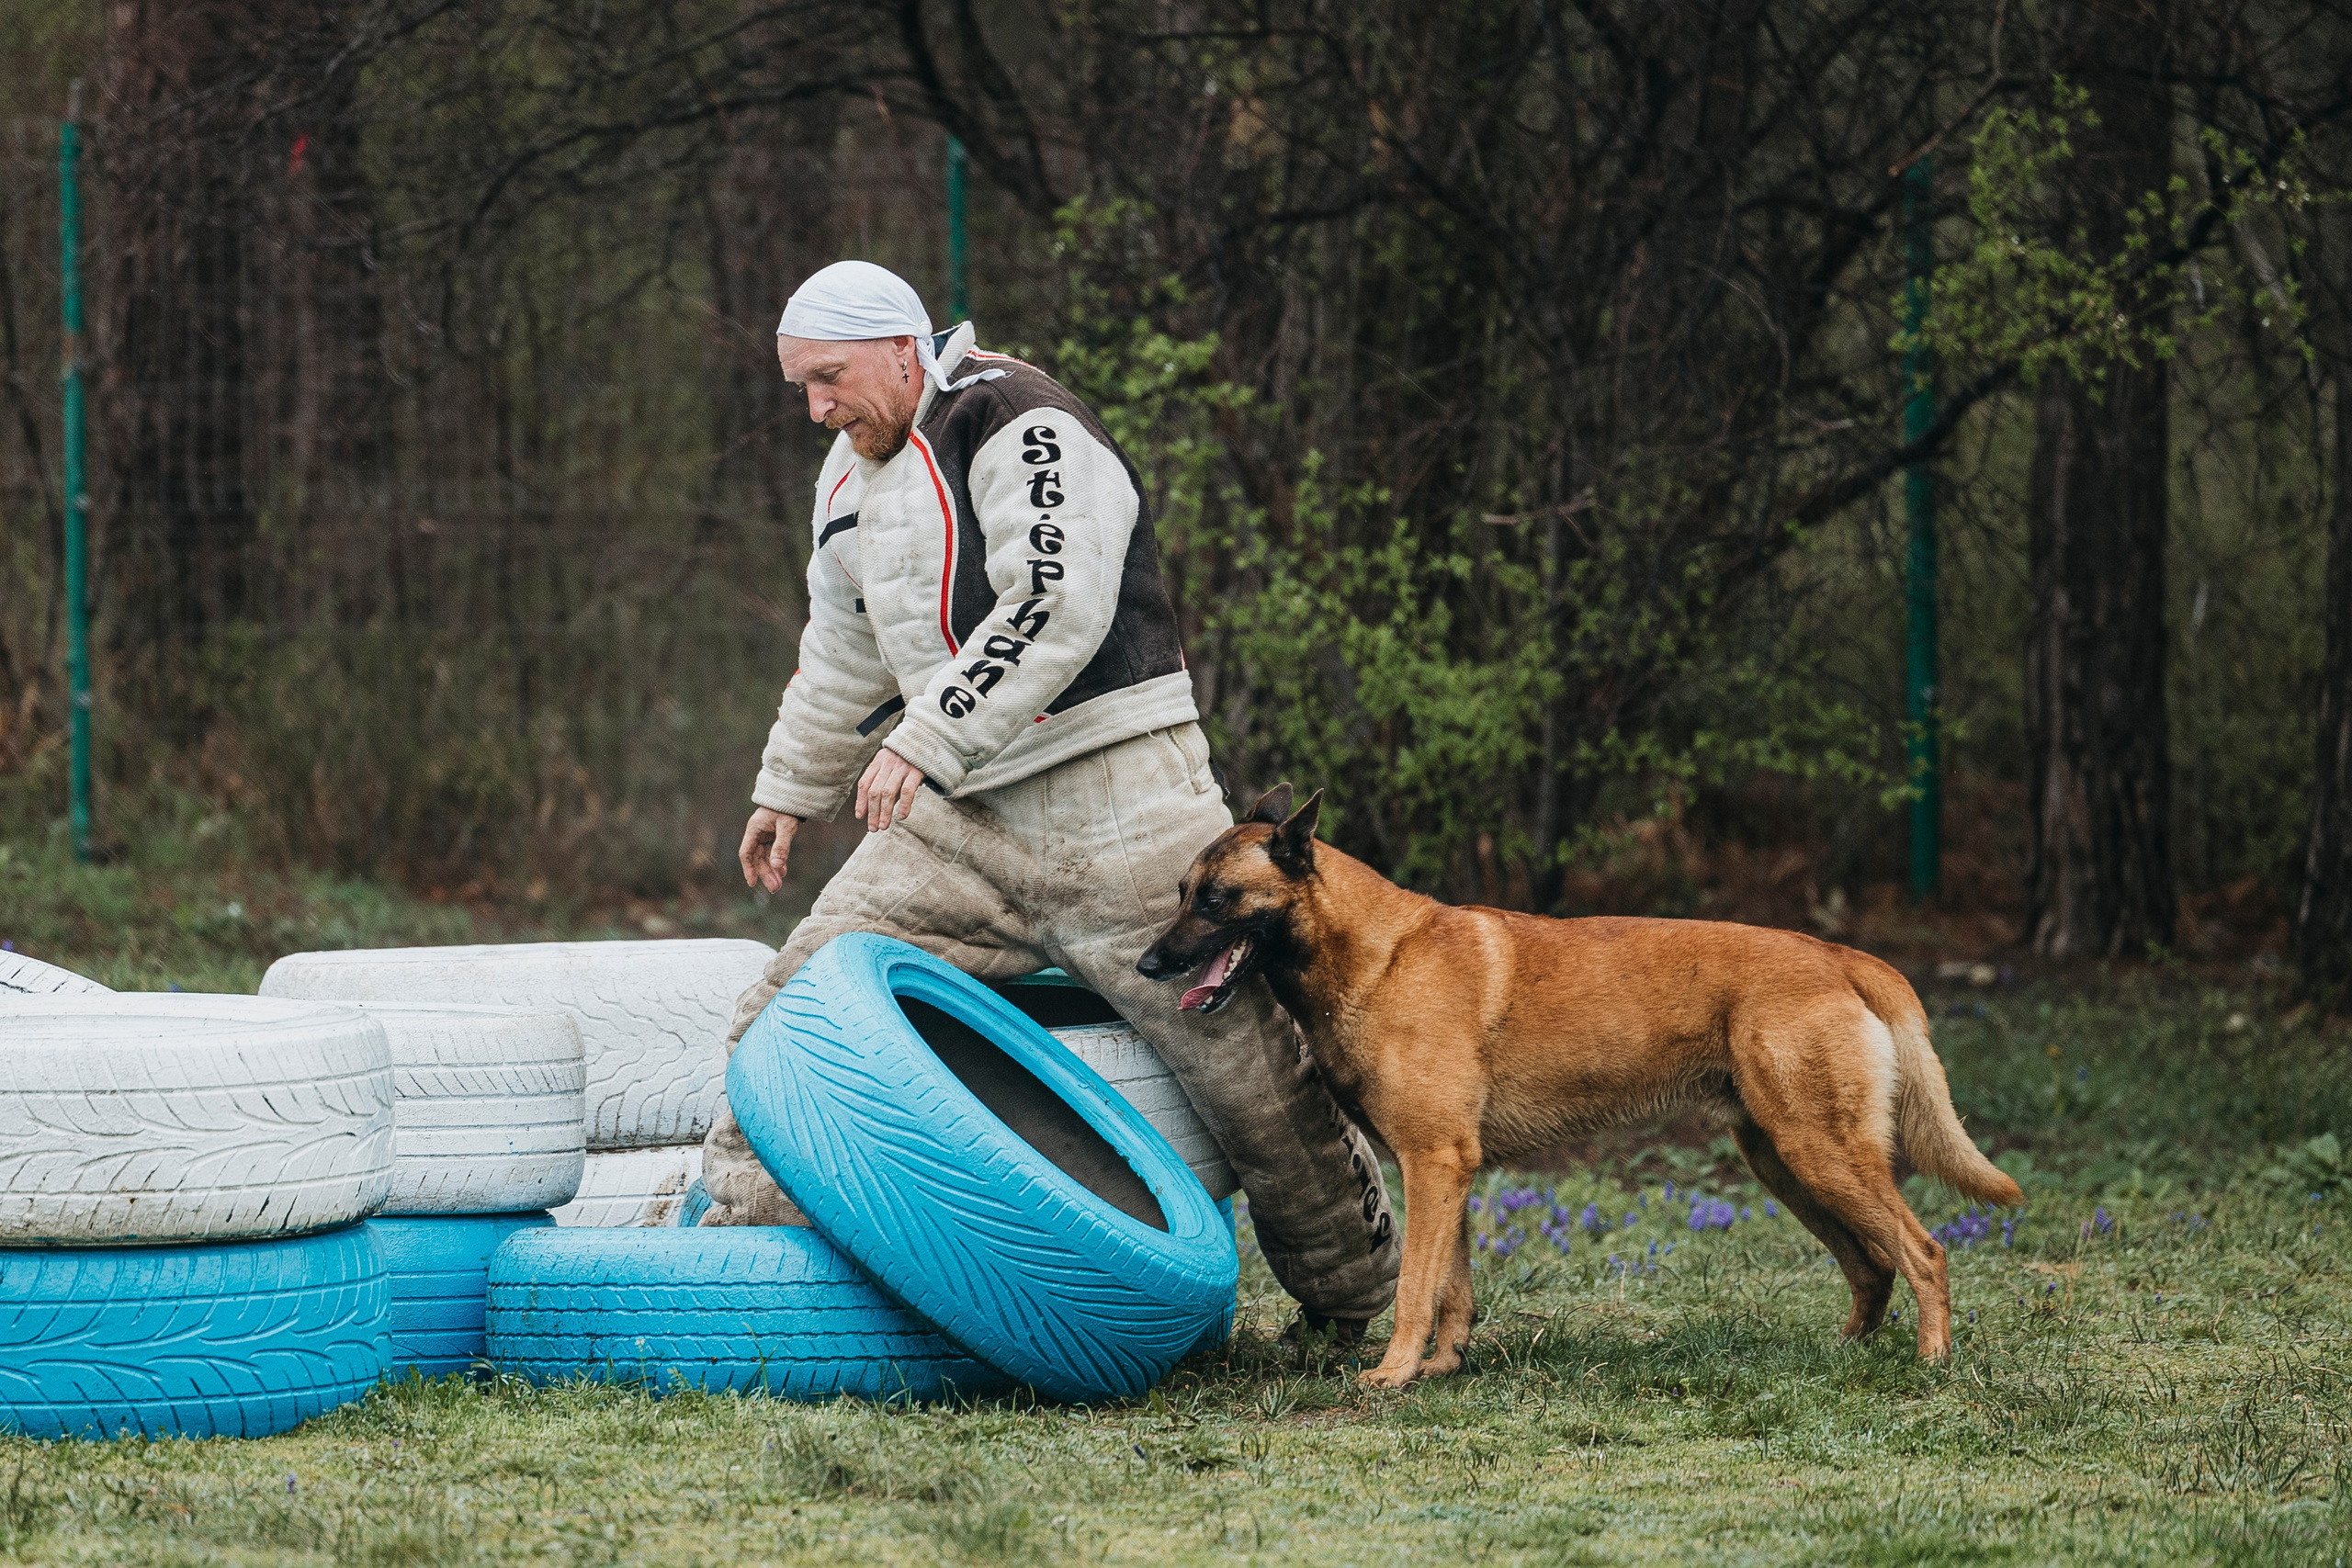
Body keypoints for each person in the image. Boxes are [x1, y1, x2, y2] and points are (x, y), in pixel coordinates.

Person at [699, 259, 1398, 1337]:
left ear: (901, 346)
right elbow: (841, 649)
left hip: (1118, 810)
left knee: (1253, 1079)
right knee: (792, 1015)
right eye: (800, 387)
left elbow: (1056, 603)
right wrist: (789, 787)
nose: (816, 410)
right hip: (955, 825)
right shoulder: (847, 476)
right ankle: (758, 1294)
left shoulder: (1017, 418)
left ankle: (1364, 1308)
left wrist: (925, 739)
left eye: (830, 379)